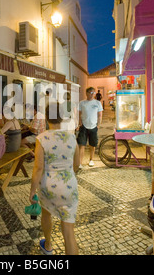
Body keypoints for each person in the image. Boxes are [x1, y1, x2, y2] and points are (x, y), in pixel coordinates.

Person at [29, 102, 80, 255]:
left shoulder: (42, 138)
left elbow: (38, 168)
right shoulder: (71, 137)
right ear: (62, 117)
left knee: (46, 214)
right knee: (69, 233)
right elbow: (76, 165)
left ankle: (48, 245)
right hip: (68, 186)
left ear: (46, 118)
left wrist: (32, 191)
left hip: (48, 186)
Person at [77, 87, 103, 171]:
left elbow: (100, 115)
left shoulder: (97, 103)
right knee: (82, 145)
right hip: (84, 126)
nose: (92, 94)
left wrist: (98, 125)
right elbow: (79, 114)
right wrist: (80, 123)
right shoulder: (82, 103)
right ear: (86, 93)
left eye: (93, 93)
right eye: (90, 93)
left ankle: (91, 160)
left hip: (93, 126)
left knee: (92, 144)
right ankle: (80, 162)